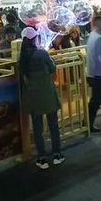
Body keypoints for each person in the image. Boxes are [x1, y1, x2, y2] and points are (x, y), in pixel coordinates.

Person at [18, 27, 64, 169]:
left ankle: (42, 158)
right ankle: (56, 154)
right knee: (53, 125)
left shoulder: (21, 58)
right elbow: (52, 68)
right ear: (34, 39)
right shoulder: (42, 53)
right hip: (47, 92)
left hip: (32, 95)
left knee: (37, 128)